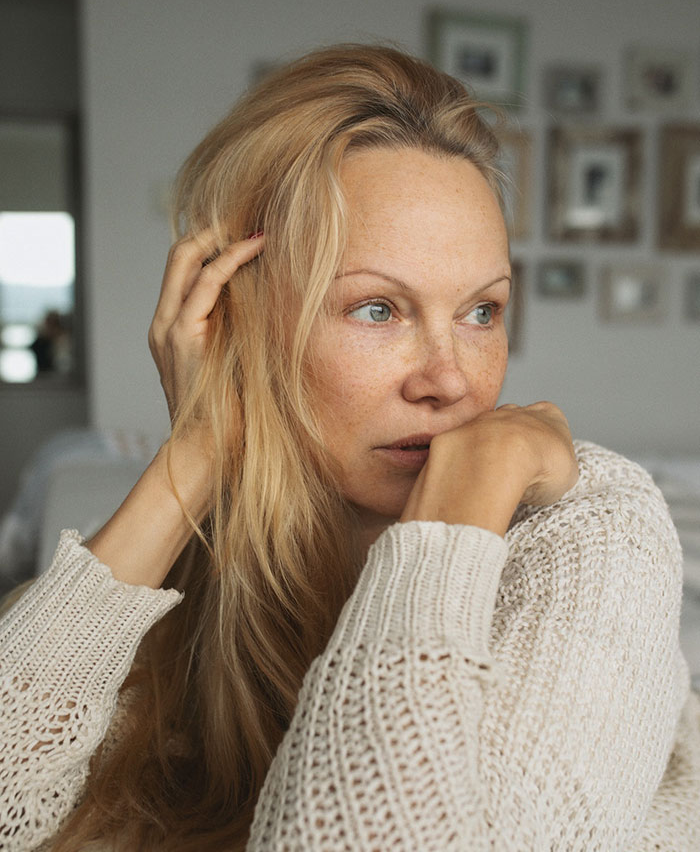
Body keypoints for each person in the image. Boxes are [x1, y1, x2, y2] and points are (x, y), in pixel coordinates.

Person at [1, 44, 699, 852]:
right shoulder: (218, 571)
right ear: (247, 321)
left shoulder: (591, 525)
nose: (451, 380)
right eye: (377, 310)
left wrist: (452, 524)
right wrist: (197, 449)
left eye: (482, 312)